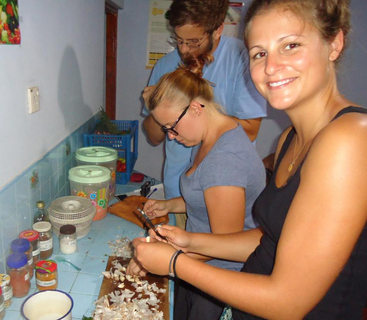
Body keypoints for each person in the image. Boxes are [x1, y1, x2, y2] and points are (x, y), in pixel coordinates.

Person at [132, 0, 367, 319]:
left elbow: (289, 302)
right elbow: (271, 237)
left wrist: (175, 263)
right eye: (260, 53)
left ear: (334, 43)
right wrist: (190, 240)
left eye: (291, 45)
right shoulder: (289, 139)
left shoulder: (350, 138)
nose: (271, 67)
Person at [129, 56, 265, 319]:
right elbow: (205, 195)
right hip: (195, 263)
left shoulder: (225, 161)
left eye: (171, 127)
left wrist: (166, 259)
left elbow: (224, 246)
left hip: (218, 281)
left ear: (195, 108)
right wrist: (170, 204)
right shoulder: (210, 137)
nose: (170, 136)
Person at [142, 0, 267, 229]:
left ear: (218, 29)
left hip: (223, 188)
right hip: (182, 194)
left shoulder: (242, 59)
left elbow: (249, 130)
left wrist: (197, 115)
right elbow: (154, 136)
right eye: (178, 40)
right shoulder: (164, 65)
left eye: (193, 41)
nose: (184, 50)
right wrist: (159, 107)